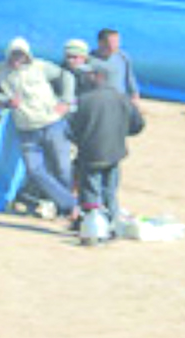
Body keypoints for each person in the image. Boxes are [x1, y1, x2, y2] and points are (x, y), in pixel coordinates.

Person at [0, 37, 78, 221]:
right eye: (14, 54)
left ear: (27, 55)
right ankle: (69, 204)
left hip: (52, 123)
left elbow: (66, 76)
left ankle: (66, 210)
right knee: (34, 170)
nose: (17, 59)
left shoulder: (41, 67)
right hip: (26, 129)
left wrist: (66, 100)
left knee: (62, 168)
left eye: (21, 55)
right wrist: (6, 101)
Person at [67, 65, 145, 239]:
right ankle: (111, 224)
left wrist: (80, 140)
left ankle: (92, 227)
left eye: (89, 74)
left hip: (90, 152)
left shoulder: (83, 101)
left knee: (91, 191)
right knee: (110, 190)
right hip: (115, 152)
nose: (86, 78)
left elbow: (71, 129)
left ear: (98, 76)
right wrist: (119, 133)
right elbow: (138, 125)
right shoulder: (122, 99)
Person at [91, 28, 140, 104]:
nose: (115, 45)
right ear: (101, 42)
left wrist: (134, 94)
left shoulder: (123, 57)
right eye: (111, 42)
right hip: (99, 102)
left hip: (119, 100)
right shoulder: (90, 60)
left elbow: (129, 77)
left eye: (117, 42)